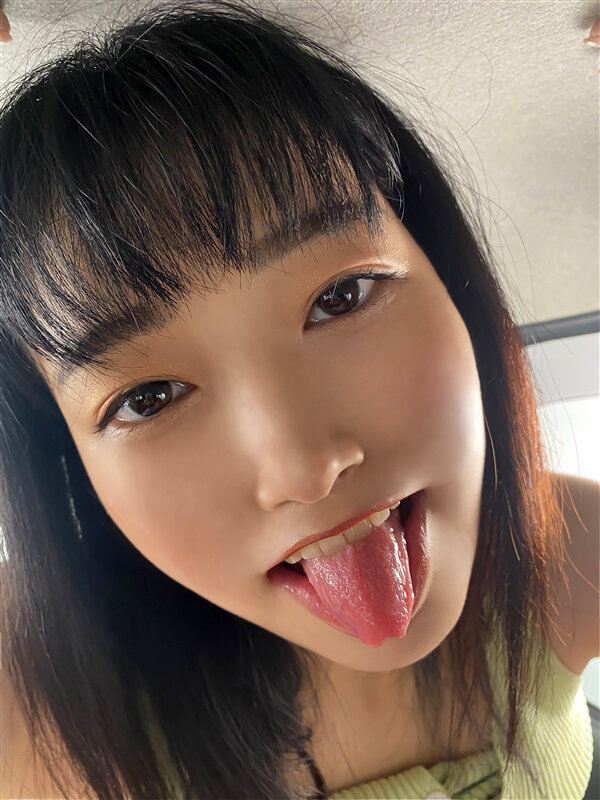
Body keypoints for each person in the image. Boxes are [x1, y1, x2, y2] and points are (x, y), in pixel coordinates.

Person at [0, 2, 598, 798]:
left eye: (342, 296)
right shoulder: (30, 700)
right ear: (66, 460)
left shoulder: (568, 547)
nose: (306, 469)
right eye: (147, 397)